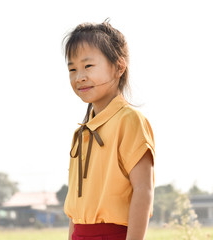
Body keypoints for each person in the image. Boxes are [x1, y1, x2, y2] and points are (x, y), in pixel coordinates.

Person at [63, 20, 155, 240]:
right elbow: (76, 208)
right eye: (72, 69)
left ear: (119, 67)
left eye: (88, 66)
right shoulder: (82, 132)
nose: (79, 77)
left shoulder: (129, 120)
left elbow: (143, 190)